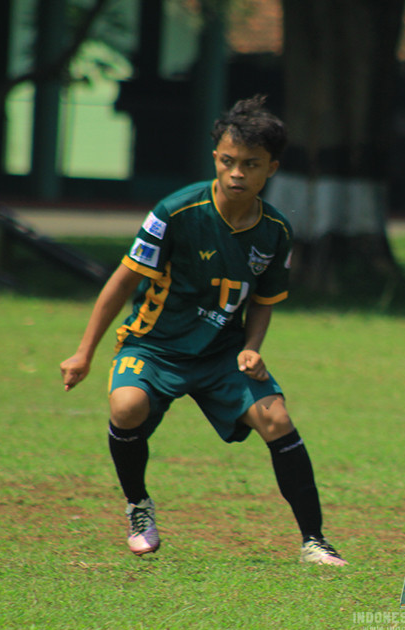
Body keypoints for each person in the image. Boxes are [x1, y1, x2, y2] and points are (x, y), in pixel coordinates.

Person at [59, 95, 347, 566]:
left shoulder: (276, 232)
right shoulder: (175, 211)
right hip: (154, 345)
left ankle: (314, 540)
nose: (237, 173)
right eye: (228, 162)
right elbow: (122, 281)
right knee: (127, 406)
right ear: (216, 157)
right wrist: (84, 352)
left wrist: (253, 348)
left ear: (271, 168)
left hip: (222, 353)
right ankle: (138, 506)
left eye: (250, 165)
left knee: (277, 419)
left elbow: (262, 302)